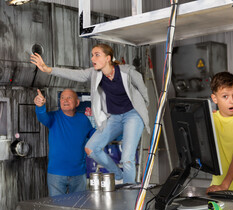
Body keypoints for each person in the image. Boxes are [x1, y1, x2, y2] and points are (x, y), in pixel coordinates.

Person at [30, 44, 150, 184]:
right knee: (91, 148)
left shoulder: (127, 72)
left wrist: (144, 107)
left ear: (108, 58)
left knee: (127, 158)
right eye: (92, 55)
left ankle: (130, 194)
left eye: (97, 55)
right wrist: (48, 69)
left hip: (132, 115)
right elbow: (74, 74)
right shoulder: (94, 73)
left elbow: (143, 90)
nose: (93, 58)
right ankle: (118, 175)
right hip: (114, 117)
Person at [34, 89, 94, 197]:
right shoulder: (53, 117)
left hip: (79, 173)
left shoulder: (83, 119)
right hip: (56, 174)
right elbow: (42, 117)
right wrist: (40, 106)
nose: (65, 100)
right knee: (57, 209)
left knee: (79, 208)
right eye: (62, 97)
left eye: (69, 97)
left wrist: (112, 128)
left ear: (77, 103)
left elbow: (94, 135)